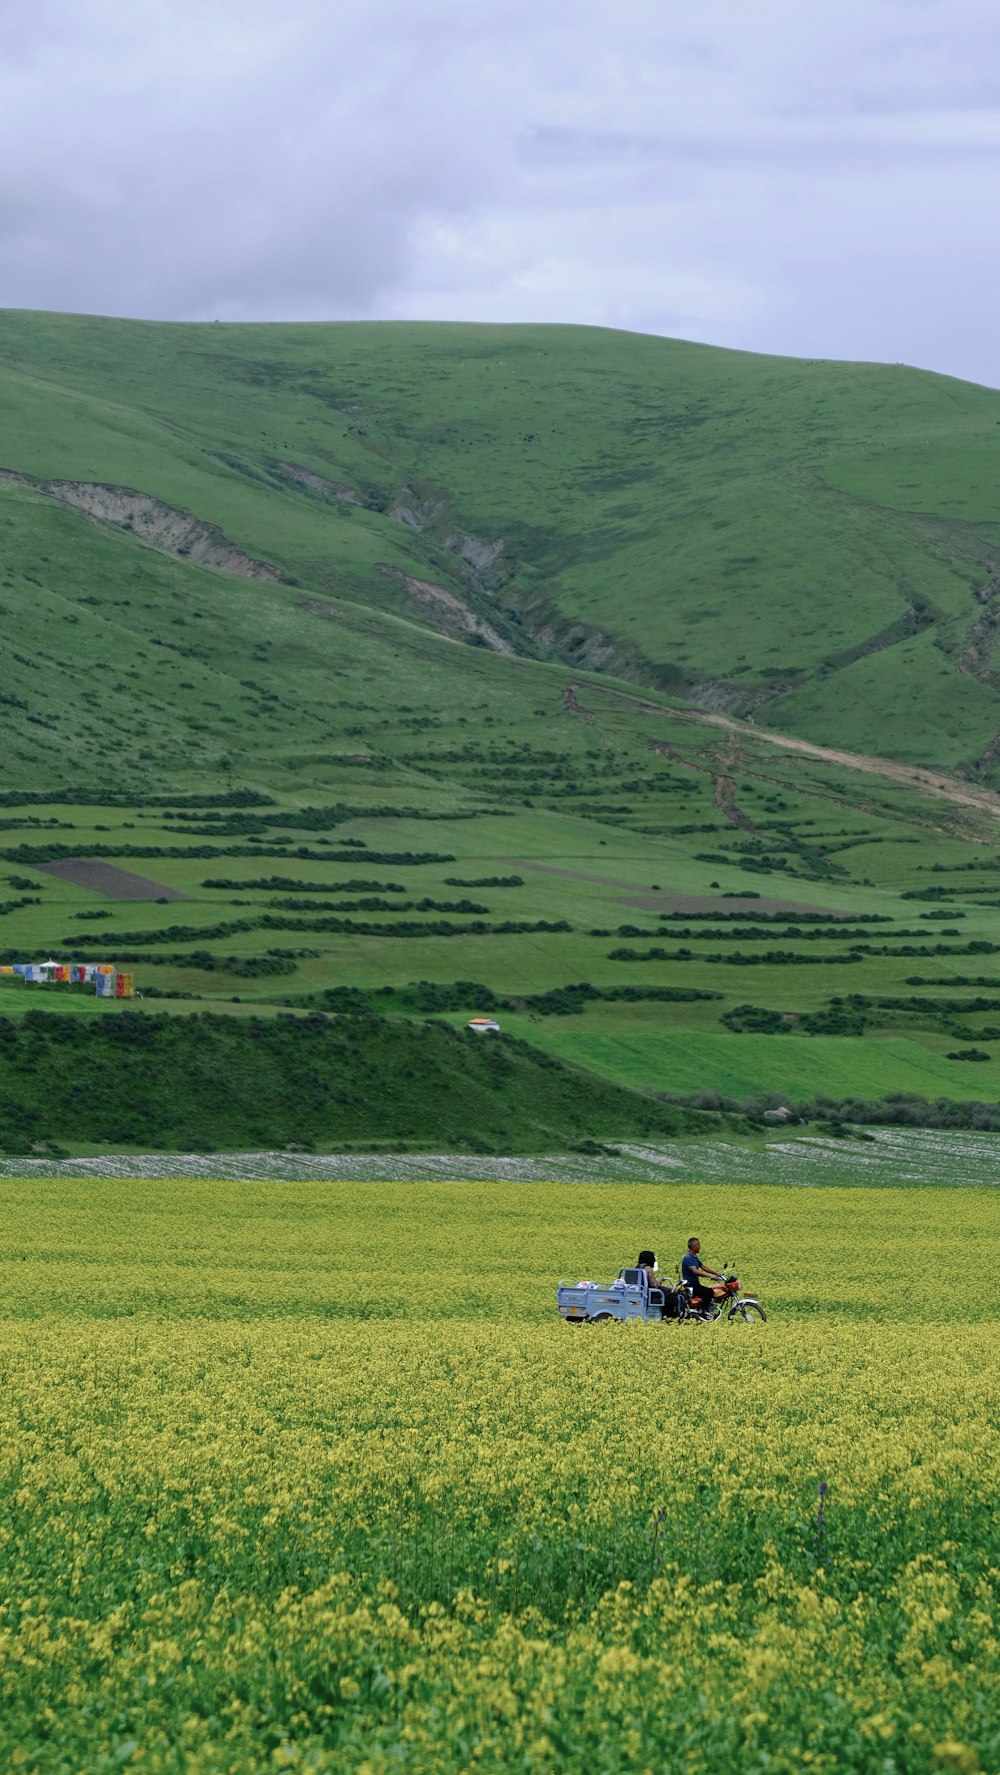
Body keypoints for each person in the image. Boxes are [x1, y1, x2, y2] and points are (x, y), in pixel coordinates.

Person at [680, 1237, 722, 1318]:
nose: (700, 1247)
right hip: (691, 1285)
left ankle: (705, 1309)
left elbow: (703, 1267)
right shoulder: (687, 1257)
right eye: (699, 1245)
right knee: (709, 1292)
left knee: (709, 1291)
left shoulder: (694, 1257)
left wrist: (717, 1273)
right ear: (694, 1246)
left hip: (695, 1284)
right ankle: (704, 1311)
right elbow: (695, 1271)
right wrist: (711, 1276)